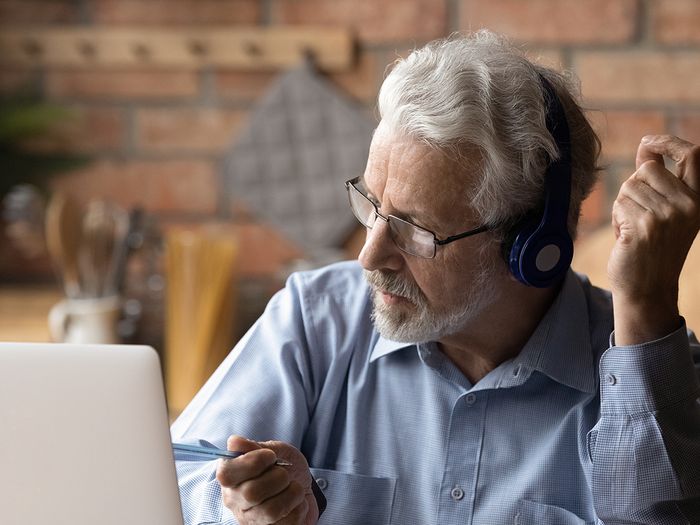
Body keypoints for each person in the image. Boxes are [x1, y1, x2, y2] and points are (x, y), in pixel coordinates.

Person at [171, 30, 700, 525]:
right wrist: (236, 507)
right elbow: (172, 477)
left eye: (415, 230)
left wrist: (646, 303)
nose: (370, 255)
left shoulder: (652, 365)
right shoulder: (315, 319)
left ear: (532, 247)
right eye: (372, 207)